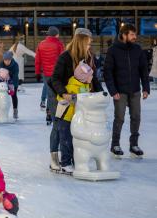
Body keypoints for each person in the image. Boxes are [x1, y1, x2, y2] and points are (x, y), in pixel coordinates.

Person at [51, 28, 103, 174]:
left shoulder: (89, 57)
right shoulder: (65, 57)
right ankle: (62, 160)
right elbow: (55, 79)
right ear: (80, 41)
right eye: (88, 43)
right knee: (64, 132)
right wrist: (64, 93)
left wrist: (100, 95)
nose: (90, 45)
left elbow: (94, 79)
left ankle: (77, 160)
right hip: (66, 102)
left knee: (79, 133)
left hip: (82, 102)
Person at [104, 24, 150, 158]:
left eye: (135, 34)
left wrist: (146, 88)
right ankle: (115, 145)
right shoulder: (113, 50)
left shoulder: (138, 49)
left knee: (136, 117)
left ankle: (134, 145)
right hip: (120, 91)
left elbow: (143, 70)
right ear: (124, 35)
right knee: (119, 118)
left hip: (135, 90)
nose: (135, 37)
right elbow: (108, 72)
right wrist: (113, 91)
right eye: (132, 34)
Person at [54, 61, 94, 174]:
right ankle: (65, 163)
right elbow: (60, 97)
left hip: (77, 119)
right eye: (90, 75)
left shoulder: (85, 86)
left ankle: (76, 161)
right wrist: (70, 98)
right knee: (66, 141)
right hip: (65, 118)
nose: (92, 77)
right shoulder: (72, 86)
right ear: (83, 77)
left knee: (76, 141)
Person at [35, 26, 65, 124]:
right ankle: (55, 116)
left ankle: (49, 114)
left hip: (46, 74)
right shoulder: (59, 44)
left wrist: (38, 73)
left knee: (50, 94)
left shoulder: (41, 44)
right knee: (57, 95)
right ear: (56, 34)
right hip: (57, 74)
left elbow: (37, 60)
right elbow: (63, 60)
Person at [0, 51, 18, 119]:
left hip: (13, 82)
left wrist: (11, 87)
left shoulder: (15, 65)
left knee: (14, 95)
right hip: (2, 82)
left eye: (8, 60)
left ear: (11, 59)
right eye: (5, 60)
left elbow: (15, 76)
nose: (7, 61)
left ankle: (15, 110)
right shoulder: (1, 64)